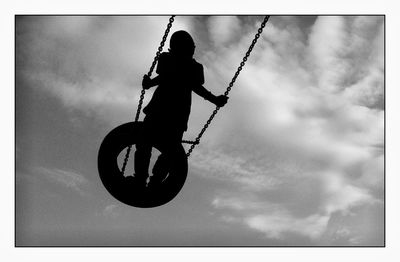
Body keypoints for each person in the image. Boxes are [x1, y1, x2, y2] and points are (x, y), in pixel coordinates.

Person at [134, 30, 228, 186]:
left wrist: (149, 83)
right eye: (190, 46)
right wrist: (215, 99)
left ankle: (151, 179)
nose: (193, 49)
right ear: (182, 47)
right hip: (171, 112)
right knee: (153, 145)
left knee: (161, 148)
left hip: (168, 112)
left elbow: (191, 85)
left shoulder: (192, 66)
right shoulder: (175, 61)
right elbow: (188, 84)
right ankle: (147, 179)